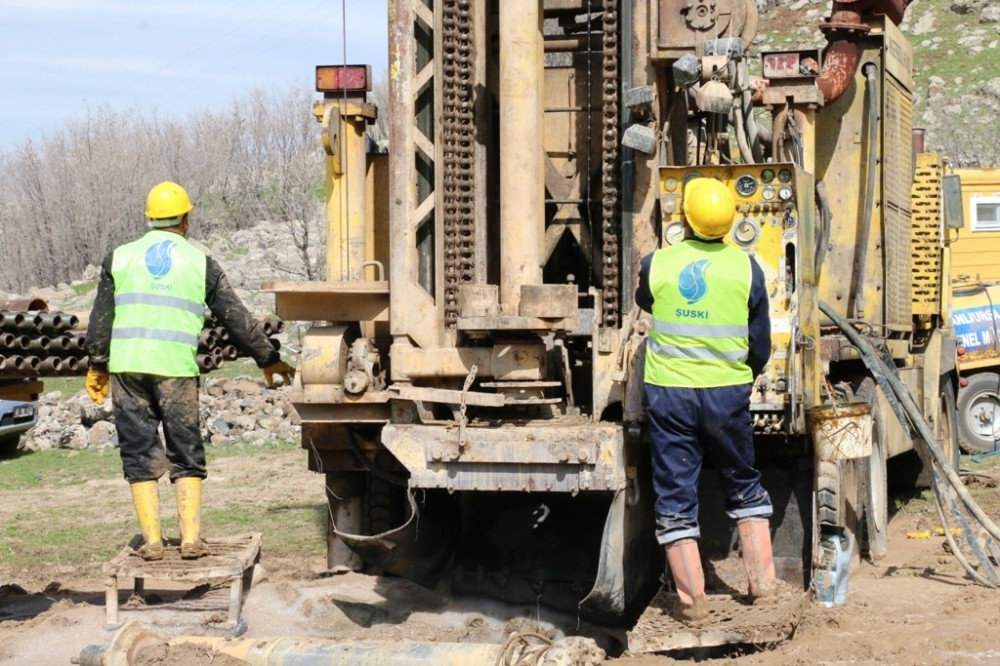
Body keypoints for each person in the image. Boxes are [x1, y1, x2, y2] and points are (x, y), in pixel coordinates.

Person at [84, 181, 295, 561]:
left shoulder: (119, 258)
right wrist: (268, 358)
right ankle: (191, 540)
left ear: (149, 218)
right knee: (185, 450)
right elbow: (236, 319)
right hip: (175, 370)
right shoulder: (200, 263)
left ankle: (152, 542)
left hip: (128, 369)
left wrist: (97, 364)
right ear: (185, 219)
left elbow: (101, 318)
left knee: (138, 452)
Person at [635, 177, 777, 621]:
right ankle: (764, 587)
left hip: (670, 396)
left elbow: (645, 301)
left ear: (685, 216)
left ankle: (693, 605)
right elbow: (760, 343)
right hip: (726, 395)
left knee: (675, 496)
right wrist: (743, 377)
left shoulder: (657, 263)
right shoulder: (747, 269)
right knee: (743, 482)